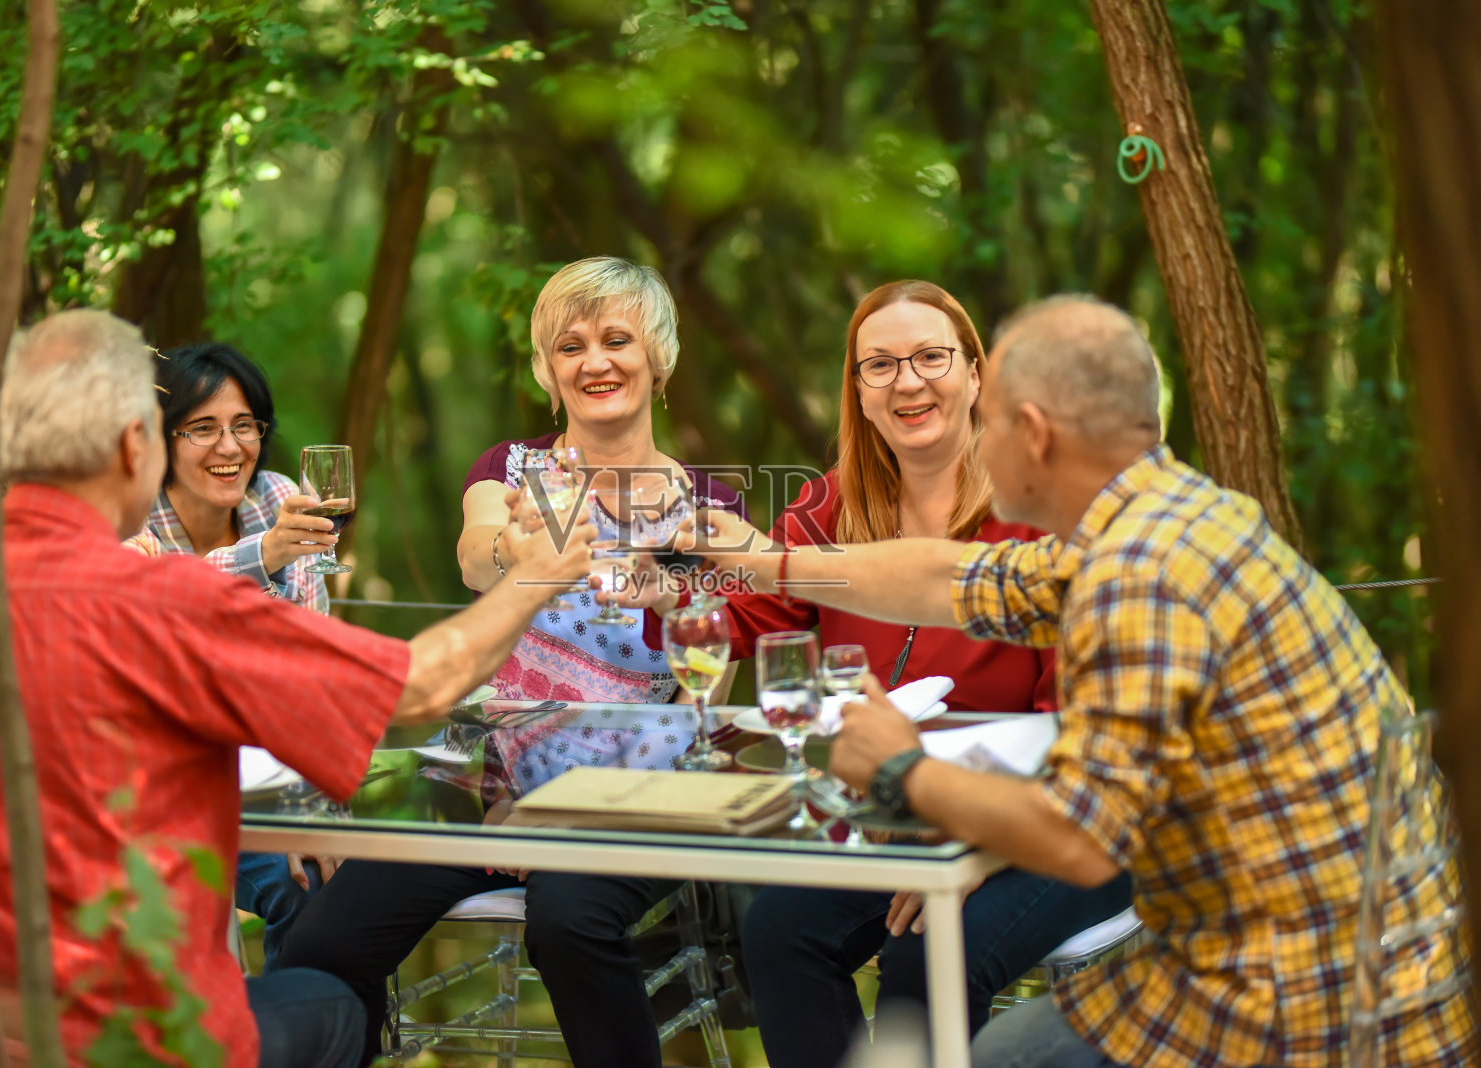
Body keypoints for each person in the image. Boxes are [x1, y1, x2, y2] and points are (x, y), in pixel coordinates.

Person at [688, 295, 1477, 1067]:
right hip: (1269, 934)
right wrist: (757, 562)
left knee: (991, 1051)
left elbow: (1081, 836)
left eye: (986, 417)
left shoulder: (1140, 579)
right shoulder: (1153, 520)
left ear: (1030, 433)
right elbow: (940, 576)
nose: (975, 441)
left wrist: (903, 771)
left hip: (1296, 987)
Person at [0, 310, 594, 1067]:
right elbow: (416, 688)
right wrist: (533, 579)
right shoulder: (159, 600)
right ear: (137, 445)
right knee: (328, 997)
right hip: (119, 1042)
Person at [276, 256, 748, 1067]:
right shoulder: (511, 471)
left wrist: (674, 593)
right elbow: (475, 557)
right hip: (489, 769)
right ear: (546, 369)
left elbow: (712, 686)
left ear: (658, 359)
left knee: (570, 920)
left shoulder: (711, 511)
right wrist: (530, 548)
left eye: (615, 340)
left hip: (634, 788)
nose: (594, 361)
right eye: (569, 346)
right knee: (322, 940)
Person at [658, 280, 1129, 1064]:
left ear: (978, 374)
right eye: (879, 366)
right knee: (777, 930)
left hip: (1066, 815)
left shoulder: (1045, 509)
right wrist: (666, 574)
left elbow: (1078, 727)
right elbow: (738, 617)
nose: (907, 382)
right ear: (859, 392)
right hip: (898, 815)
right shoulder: (829, 505)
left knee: (926, 955)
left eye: (931, 357)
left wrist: (968, 838)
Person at [125, 341, 340, 967]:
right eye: (203, 429)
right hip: (169, 793)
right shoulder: (129, 528)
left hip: (273, 780)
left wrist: (311, 803)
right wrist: (262, 559)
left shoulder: (275, 498)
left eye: (244, 425)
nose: (229, 447)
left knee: (347, 881)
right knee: (301, 884)